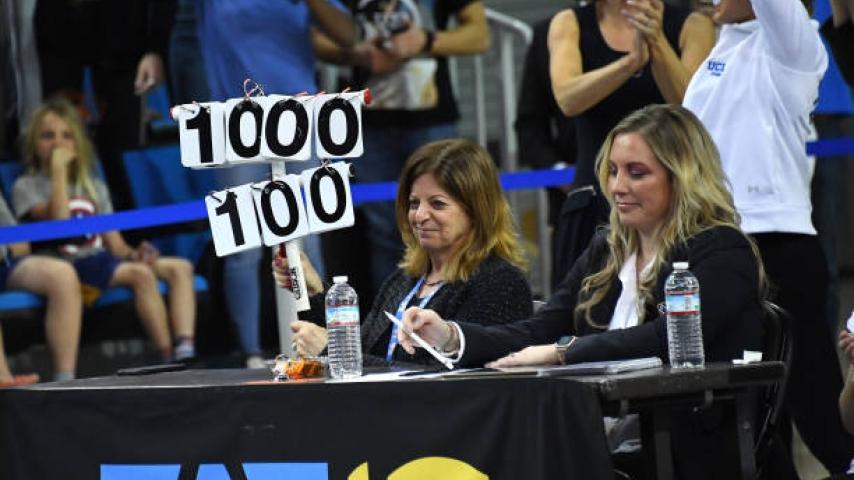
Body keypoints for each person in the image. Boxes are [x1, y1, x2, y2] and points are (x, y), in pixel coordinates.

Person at [399, 105, 765, 478]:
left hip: (687, 451)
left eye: (637, 173)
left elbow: (666, 338)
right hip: (594, 443)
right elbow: (538, 329)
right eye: (612, 171)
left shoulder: (721, 248)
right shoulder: (606, 248)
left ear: (683, 177)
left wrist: (564, 352)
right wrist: (448, 335)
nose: (618, 186)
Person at [682, 0, 854, 475]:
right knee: (751, 412)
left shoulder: (792, 40)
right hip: (721, 248)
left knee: (814, 407)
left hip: (781, 246)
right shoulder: (721, 48)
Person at [273, 138, 532, 366]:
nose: (419, 216)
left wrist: (331, 349)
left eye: (438, 204)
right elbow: (365, 351)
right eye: (413, 203)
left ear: (477, 211)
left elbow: (434, 379)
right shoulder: (405, 279)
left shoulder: (500, 283)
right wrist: (315, 290)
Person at [196, 0, 355, 368]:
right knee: (243, 246)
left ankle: (318, 341)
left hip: (298, 113)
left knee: (308, 238)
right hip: (234, 121)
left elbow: (348, 34)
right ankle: (250, 352)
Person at [312, 0, 490, 293]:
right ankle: (392, 323)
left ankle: (449, 309)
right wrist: (360, 54)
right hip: (368, 122)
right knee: (385, 231)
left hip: (431, 118)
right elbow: (318, 36)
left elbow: (480, 34)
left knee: (449, 222)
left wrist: (428, 40)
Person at [14, 97, 196, 362]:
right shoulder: (26, 186)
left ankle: (186, 347)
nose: (57, 144)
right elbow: (61, 223)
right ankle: (168, 357)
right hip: (68, 264)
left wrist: (136, 253)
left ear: (78, 143)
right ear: (33, 144)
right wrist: (59, 172)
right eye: (47, 136)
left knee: (180, 268)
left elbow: (116, 244)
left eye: (66, 136)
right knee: (141, 276)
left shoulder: (94, 186)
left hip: (102, 259)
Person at [547, 0, 714, 285]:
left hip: (673, 200)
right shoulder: (570, 22)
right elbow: (567, 98)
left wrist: (657, 42)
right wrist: (631, 63)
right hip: (594, 198)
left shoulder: (693, 24)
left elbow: (693, 106)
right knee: (581, 310)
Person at [33, 0, 176, 212]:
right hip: (59, 32)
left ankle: (131, 236)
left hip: (123, 39)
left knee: (123, 153)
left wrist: (155, 47)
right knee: (60, 140)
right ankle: (69, 233)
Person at [0, 196, 81, 383]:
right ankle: (3, 379)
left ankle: (65, 382)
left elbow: (21, 245)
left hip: (5, 263)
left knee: (62, 274)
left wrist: (6, 249)